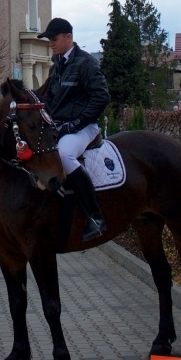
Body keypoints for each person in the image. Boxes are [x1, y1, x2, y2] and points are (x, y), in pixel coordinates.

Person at [36, 16, 110, 241]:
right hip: (61, 126)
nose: (51, 43)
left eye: (54, 39)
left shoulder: (86, 63)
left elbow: (102, 96)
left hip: (84, 127)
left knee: (64, 154)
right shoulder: (56, 66)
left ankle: (95, 216)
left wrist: (77, 122)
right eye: (49, 40)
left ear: (69, 37)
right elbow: (48, 99)